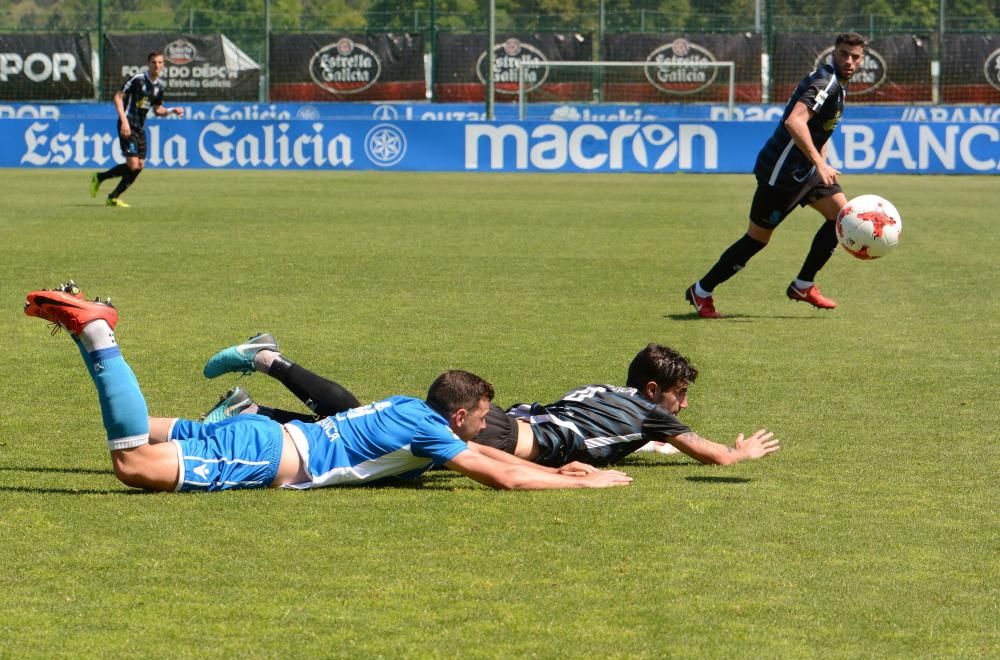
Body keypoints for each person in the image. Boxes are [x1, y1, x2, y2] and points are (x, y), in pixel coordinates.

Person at [23, 282, 632, 493]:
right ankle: (97, 333)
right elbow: (498, 472)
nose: (484, 426)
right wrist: (588, 481)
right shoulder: (430, 432)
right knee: (132, 464)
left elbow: (486, 455)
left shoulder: (407, 408)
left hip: (274, 433)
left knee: (154, 428)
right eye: (481, 417)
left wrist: (558, 472)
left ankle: (93, 333)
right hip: (272, 454)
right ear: (459, 417)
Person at [202, 335, 779, 468]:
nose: (681, 408)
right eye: (680, 397)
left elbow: (607, 430)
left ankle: (254, 410)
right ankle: (266, 366)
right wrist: (742, 451)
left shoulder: (605, 391)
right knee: (358, 431)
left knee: (358, 426)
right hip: (506, 437)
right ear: (654, 392)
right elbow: (716, 456)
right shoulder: (651, 414)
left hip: (511, 420)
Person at [684, 32, 867, 318]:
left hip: (805, 171)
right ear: (834, 53)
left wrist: (821, 165)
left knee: (842, 217)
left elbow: (821, 130)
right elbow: (795, 121)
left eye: (855, 56)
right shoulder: (826, 82)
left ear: (862, 59)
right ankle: (702, 290)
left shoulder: (839, 86)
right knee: (757, 239)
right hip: (781, 174)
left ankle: (803, 284)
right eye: (844, 54)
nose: (849, 60)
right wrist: (819, 163)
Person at [89, 51, 184, 208]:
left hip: (140, 128)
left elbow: (157, 110)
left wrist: (172, 110)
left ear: (163, 65)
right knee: (133, 165)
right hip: (127, 125)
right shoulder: (138, 80)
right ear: (149, 63)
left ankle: (112, 196)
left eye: (160, 63)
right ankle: (99, 178)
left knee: (139, 166)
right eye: (154, 62)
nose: (157, 65)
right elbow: (118, 97)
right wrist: (124, 121)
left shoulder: (159, 87)